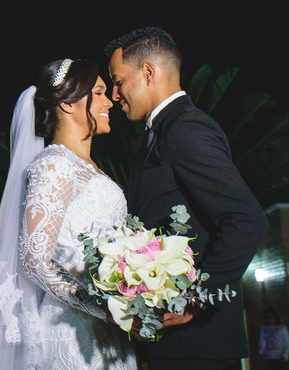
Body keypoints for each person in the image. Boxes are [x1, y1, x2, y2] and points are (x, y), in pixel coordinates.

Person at [106, 27, 268, 370]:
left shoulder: (186, 128)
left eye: (118, 81)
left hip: (200, 344)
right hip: (174, 342)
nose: (114, 94)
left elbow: (247, 219)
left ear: (148, 72)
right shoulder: (158, 134)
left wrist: (197, 298)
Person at [0, 58, 136, 370]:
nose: (109, 102)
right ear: (68, 104)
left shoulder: (90, 168)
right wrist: (102, 308)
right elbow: (35, 260)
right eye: (98, 93)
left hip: (109, 336)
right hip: (71, 332)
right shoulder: (54, 165)